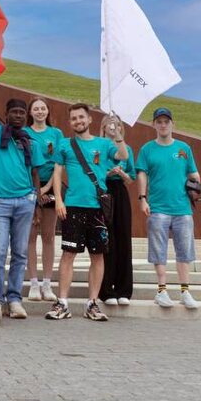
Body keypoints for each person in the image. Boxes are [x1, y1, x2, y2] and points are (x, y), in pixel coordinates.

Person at [45, 103, 113, 322]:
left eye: (81, 117)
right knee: (68, 254)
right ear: (70, 122)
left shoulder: (104, 144)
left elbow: (122, 155)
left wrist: (117, 134)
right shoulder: (65, 144)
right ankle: (63, 303)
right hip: (73, 206)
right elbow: (57, 173)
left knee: (98, 256)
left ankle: (92, 303)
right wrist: (58, 200)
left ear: (90, 119)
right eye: (74, 118)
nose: (78, 121)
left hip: (97, 208)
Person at [0, 89, 39, 319]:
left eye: (22, 112)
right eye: (14, 112)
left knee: (20, 253)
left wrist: (34, 198)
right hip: (1, 203)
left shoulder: (30, 140)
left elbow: (35, 171)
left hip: (25, 201)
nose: (18, 116)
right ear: (6, 114)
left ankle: (14, 299)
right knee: (0, 251)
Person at [136, 107, 201, 310]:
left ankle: (185, 291)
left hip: (182, 208)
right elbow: (141, 174)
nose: (163, 125)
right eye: (159, 122)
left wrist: (195, 185)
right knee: (158, 250)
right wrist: (142, 199)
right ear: (153, 124)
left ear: (173, 124)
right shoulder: (147, 149)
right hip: (158, 208)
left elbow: (194, 174)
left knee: (185, 251)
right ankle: (161, 290)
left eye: (166, 121)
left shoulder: (184, 148)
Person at [24, 98, 62, 303]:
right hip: (29, 185)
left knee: (48, 236)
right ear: (30, 112)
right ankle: (34, 283)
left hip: (51, 185)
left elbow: (59, 164)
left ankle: (47, 283)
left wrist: (46, 189)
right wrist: (36, 191)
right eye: (36, 108)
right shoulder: (24, 133)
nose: (40, 111)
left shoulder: (56, 134)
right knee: (30, 237)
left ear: (48, 111)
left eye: (43, 108)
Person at [99, 116, 136, 306]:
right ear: (104, 127)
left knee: (123, 239)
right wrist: (108, 173)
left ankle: (124, 289)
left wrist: (122, 174)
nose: (114, 127)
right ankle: (106, 290)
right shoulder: (99, 147)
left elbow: (131, 179)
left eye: (117, 124)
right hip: (104, 192)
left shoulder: (126, 149)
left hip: (120, 192)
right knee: (107, 239)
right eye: (110, 124)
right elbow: (95, 172)